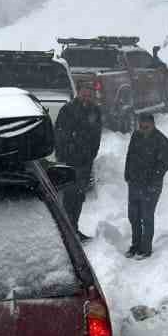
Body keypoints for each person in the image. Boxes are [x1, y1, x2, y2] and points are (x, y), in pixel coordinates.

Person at [54, 84, 104, 241]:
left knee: (79, 197)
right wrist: (65, 155)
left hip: (85, 162)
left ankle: (74, 228)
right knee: (69, 197)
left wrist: (91, 154)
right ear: (78, 93)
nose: (86, 98)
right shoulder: (67, 110)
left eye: (89, 95)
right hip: (69, 162)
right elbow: (60, 136)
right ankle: (66, 233)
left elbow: (97, 135)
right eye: (84, 94)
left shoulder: (95, 111)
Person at [123, 111, 168, 258]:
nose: (143, 127)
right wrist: (127, 174)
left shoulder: (162, 140)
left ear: (153, 124)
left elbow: (164, 165)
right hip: (134, 183)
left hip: (151, 186)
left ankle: (146, 248)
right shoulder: (135, 136)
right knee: (133, 216)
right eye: (141, 125)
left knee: (146, 216)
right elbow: (129, 155)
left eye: (146, 125)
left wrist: (152, 181)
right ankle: (135, 245)